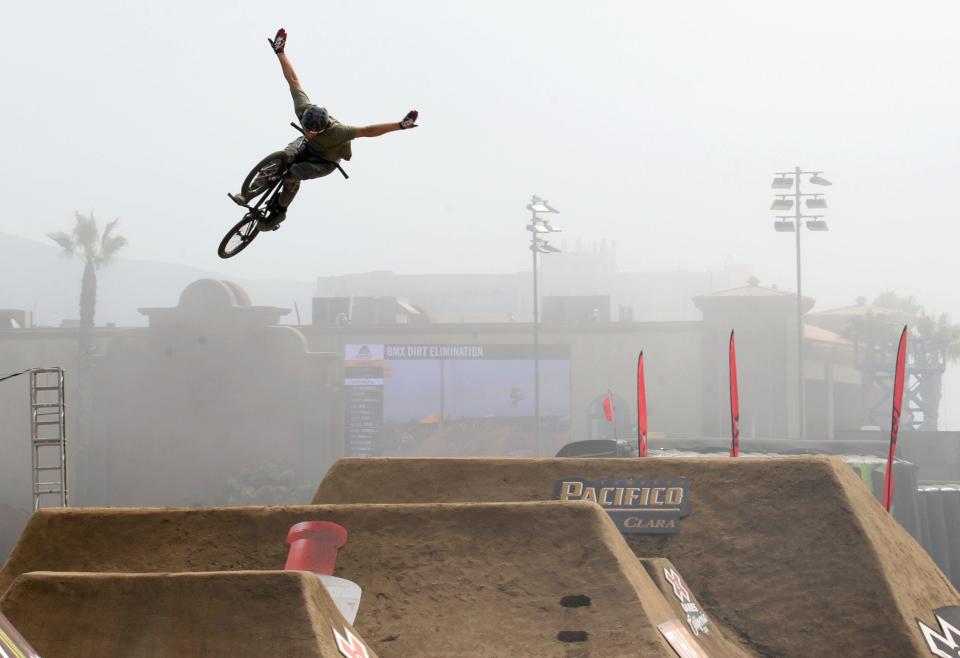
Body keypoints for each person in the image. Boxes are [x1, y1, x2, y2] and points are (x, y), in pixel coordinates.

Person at [230, 28, 418, 229]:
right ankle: (248, 193)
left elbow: (369, 130)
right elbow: (293, 80)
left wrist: (400, 125)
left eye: (313, 131)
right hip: (307, 147)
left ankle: (279, 211)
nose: (309, 131)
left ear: (322, 129)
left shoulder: (339, 131)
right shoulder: (304, 109)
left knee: (294, 171)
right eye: (306, 127)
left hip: (325, 160)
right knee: (283, 157)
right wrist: (280, 52)